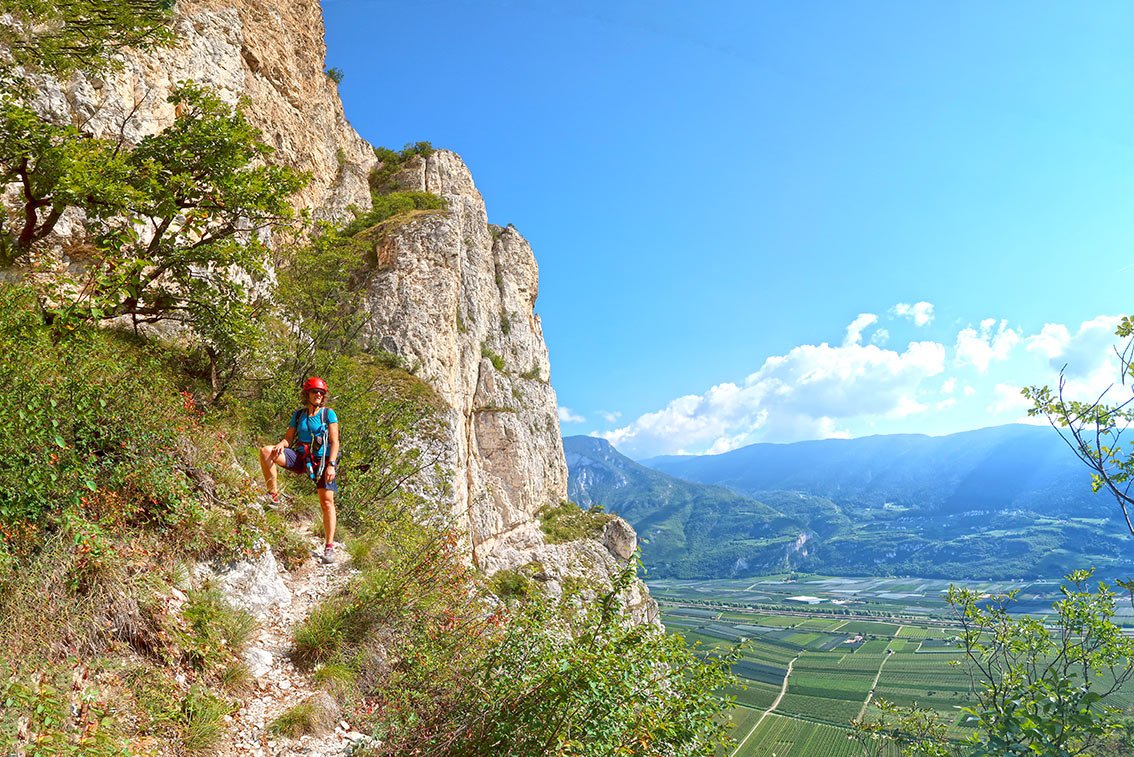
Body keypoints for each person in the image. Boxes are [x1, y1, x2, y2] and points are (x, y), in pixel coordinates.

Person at [259, 376, 341, 564]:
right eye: (314, 392)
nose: (318, 395)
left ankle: (329, 547)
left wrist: (331, 465)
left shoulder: (329, 414)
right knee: (266, 451)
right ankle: (273, 496)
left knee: (326, 502)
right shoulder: (298, 415)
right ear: (307, 394)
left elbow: (335, 442)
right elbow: (289, 438)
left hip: (323, 461)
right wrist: (282, 444)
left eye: (321, 392)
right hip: (301, 457)